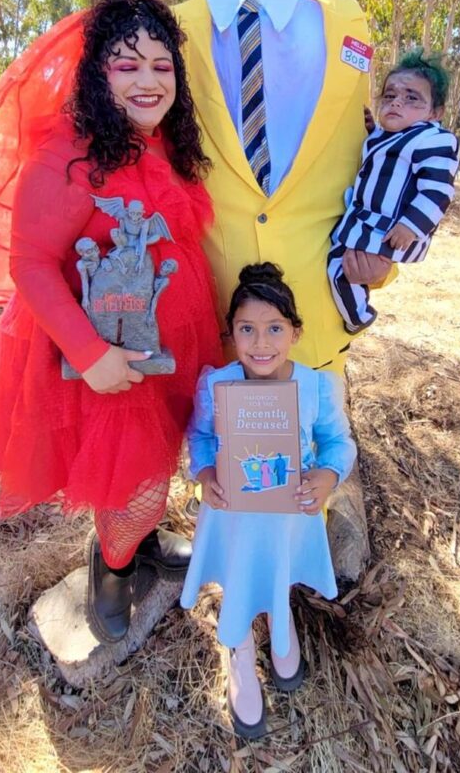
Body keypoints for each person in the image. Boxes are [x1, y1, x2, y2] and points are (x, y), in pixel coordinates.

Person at [0, 0, 223, 643]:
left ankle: (137, 548)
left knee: (158, 463)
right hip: (104, 359)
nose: (148, 80)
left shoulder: (165, 145)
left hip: (168, 346)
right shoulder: (68, 155)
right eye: (127, 63)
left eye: (161, 65)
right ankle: (111, 569)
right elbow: (30, 265)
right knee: (130, 480)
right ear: (96, 73)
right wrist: (91, 356)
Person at [176, 0, 395, 375]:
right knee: (222, 454)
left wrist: (380, 261)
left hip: (314, 321)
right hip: (218, 324)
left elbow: (371, 159)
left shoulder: (342, 22)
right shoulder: (180, 28)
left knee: (322, 453)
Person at [180, 263, 356, 739]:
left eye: (275, 328)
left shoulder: (316, 387)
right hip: (234, 517)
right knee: (240, 575)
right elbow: (197, 436)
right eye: (248, 330)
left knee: (276, 570)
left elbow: (340, 444)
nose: (262, 343)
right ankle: (238, 647)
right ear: (232, 334)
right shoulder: (217, 386)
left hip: (287, 518)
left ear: (295, 332)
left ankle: (282, 625)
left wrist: (327, 473)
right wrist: (204, 471)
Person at [328, 49, 460, 333]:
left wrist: (411, 226)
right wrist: (370, 129)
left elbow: (438, 191)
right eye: (389, 96)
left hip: (389, 231)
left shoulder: (434, 139)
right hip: (365, 222)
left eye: (411, 98)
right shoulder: (392, 134)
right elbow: (386, 155)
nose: (396, 102)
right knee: (336, 268)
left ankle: (359, 317)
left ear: (435, 112)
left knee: (341, 270)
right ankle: (358, 314)